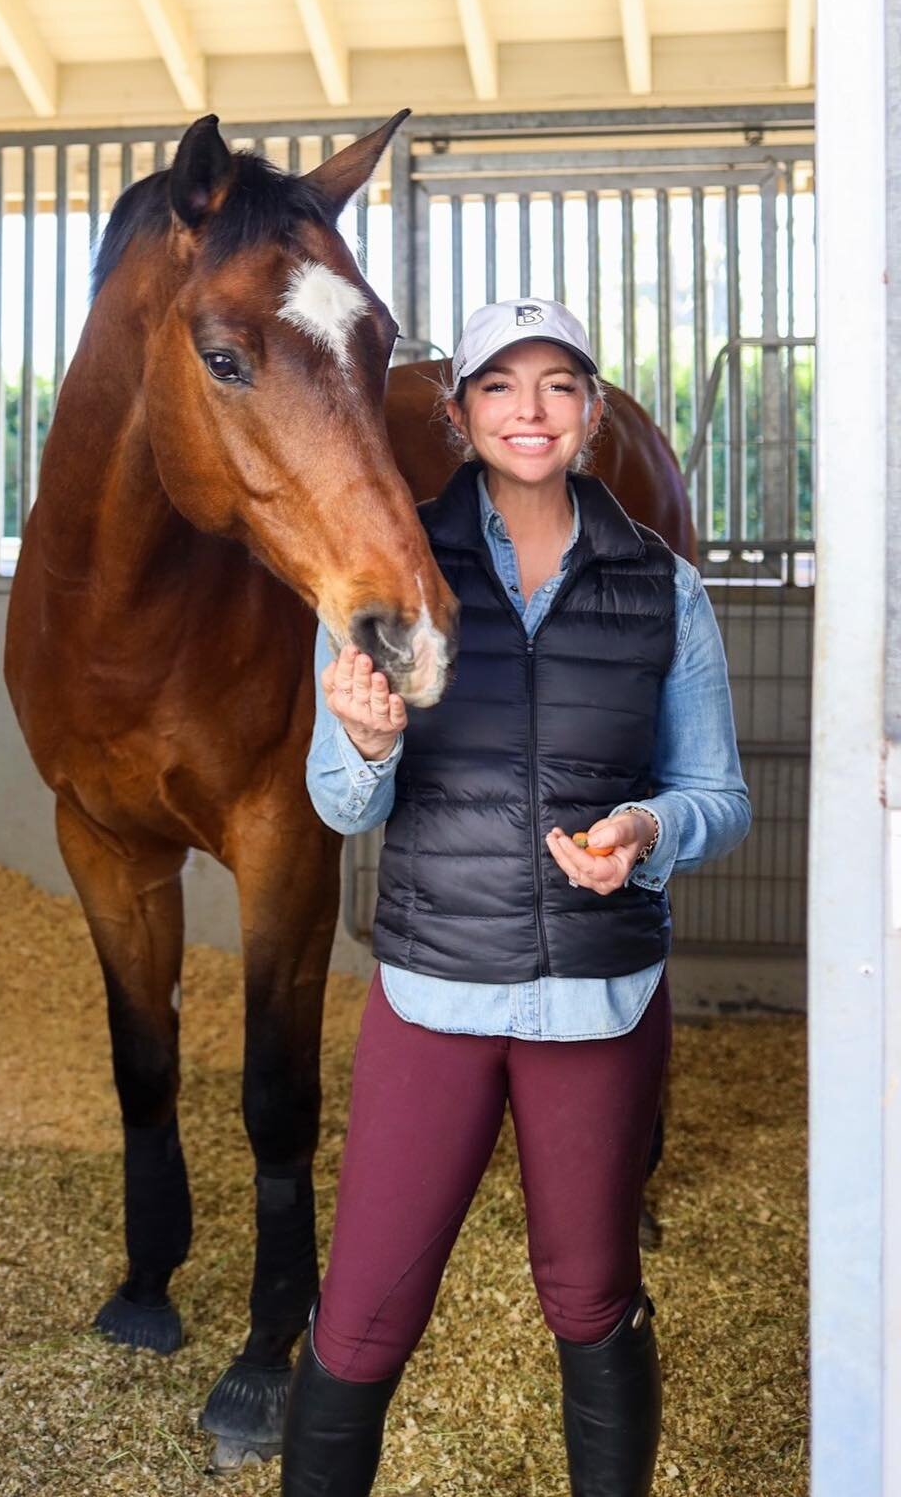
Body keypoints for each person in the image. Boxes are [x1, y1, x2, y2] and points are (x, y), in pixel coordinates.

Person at [283, 299, 750, 1497]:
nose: (529, 411)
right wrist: (367, 741)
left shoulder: (666, 592)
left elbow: (719, 795)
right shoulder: (387, 579)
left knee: (593, 1297)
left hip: (599, 998)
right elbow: (341, 807)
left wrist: (647, 830)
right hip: (434, 995)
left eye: (557, 386)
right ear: (458, 416)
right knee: (365, 1310)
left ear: (593, 414)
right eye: (500, 387)